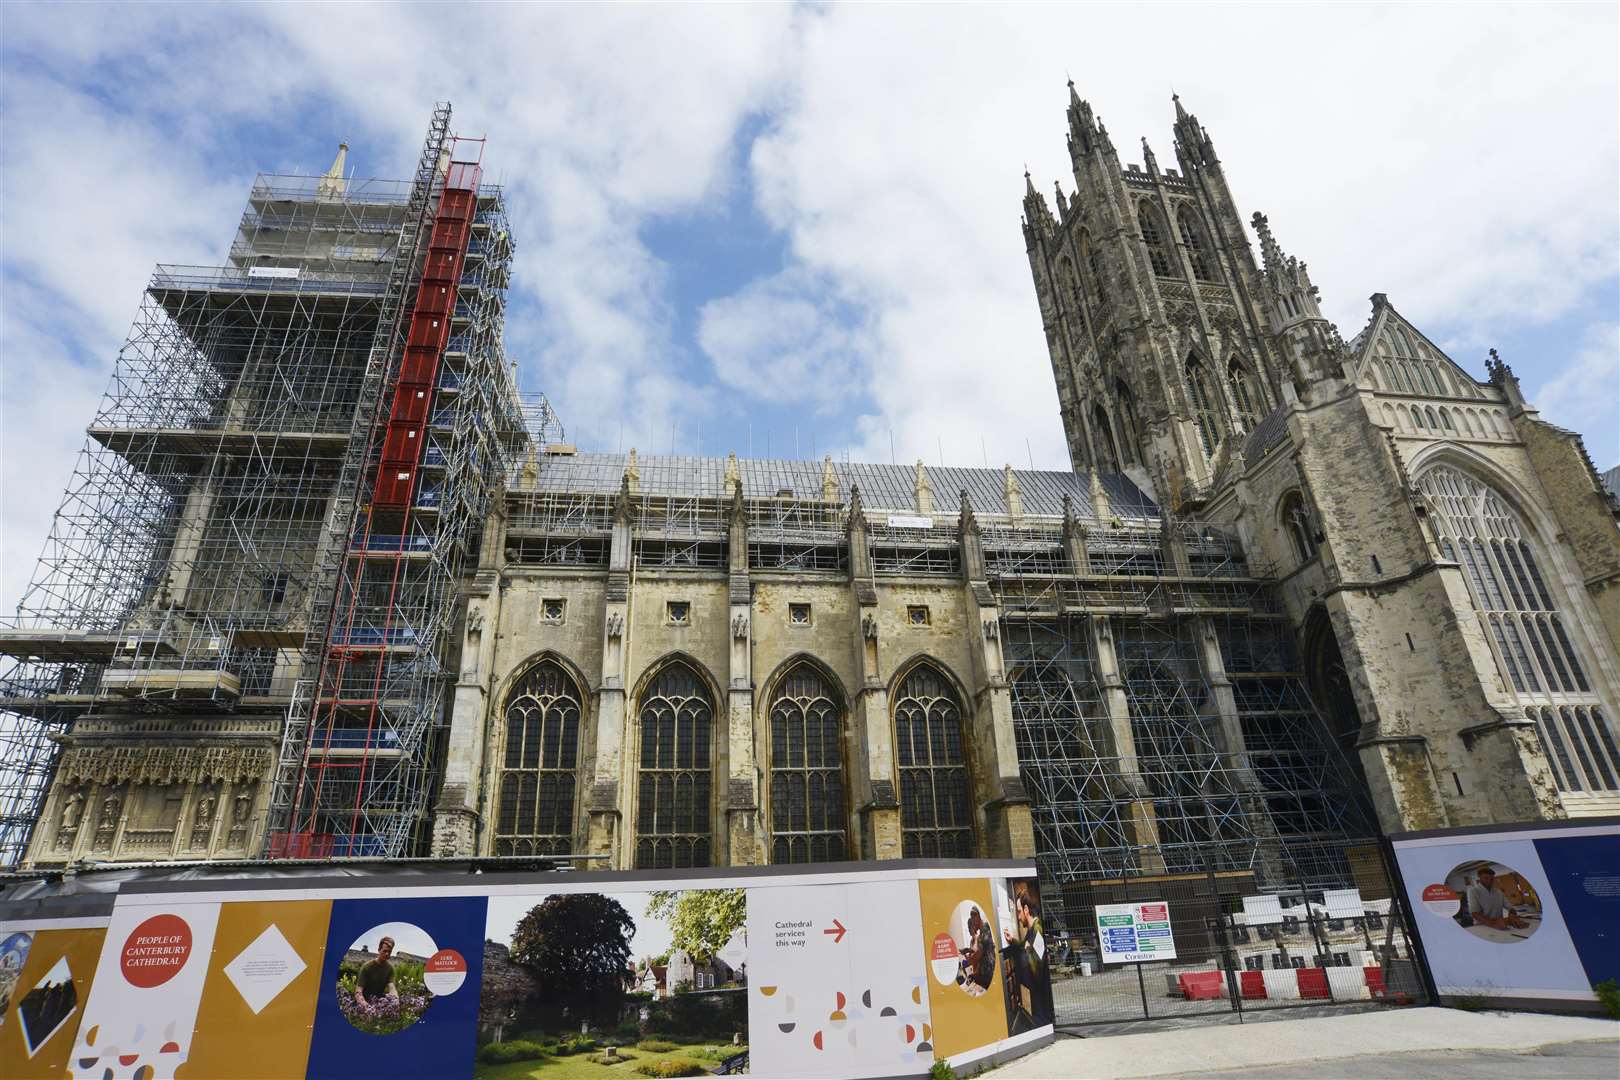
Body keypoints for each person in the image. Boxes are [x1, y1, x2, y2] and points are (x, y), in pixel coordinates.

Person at [1003, 892, 1055, 1027]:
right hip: (1039, 999)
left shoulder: (1037, 931)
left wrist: (1026, 950)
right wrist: (1013, 941)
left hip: (1042, 1002)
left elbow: (1036, 970)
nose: (1019, 917)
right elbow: (1025, 946)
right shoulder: (1032, 931)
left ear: (1026, 910)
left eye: (1019, 912)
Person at [1466, 867, 1528, 931]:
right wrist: (1493, 924)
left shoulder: (1498, 892)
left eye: (1492, 879)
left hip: (1500, 924)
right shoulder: (1473, 891)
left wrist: (1512, 915)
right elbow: (1475, 913)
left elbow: (1510, 907)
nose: (1489, 881)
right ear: (1479, 877)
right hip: (1483, 926)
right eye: (1486, 878)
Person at [959, 907, 995, 991]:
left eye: (973, 923)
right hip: (982, 973)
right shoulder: (981, 933)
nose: (973, 926)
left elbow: (979, 954)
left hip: (987, 974)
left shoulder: (985, 928)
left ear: (977, 916)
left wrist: (965, 963)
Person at [356, 936, 400, 1004]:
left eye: (389, 952)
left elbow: (392, 988)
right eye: (385, 951)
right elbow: (358, 992)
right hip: (364, 1002)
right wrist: (365, 1006)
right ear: (379, 950)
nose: (387, 954)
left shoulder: (390, 969)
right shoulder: (367, 967)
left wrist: (396, 999)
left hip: (379, 1002)